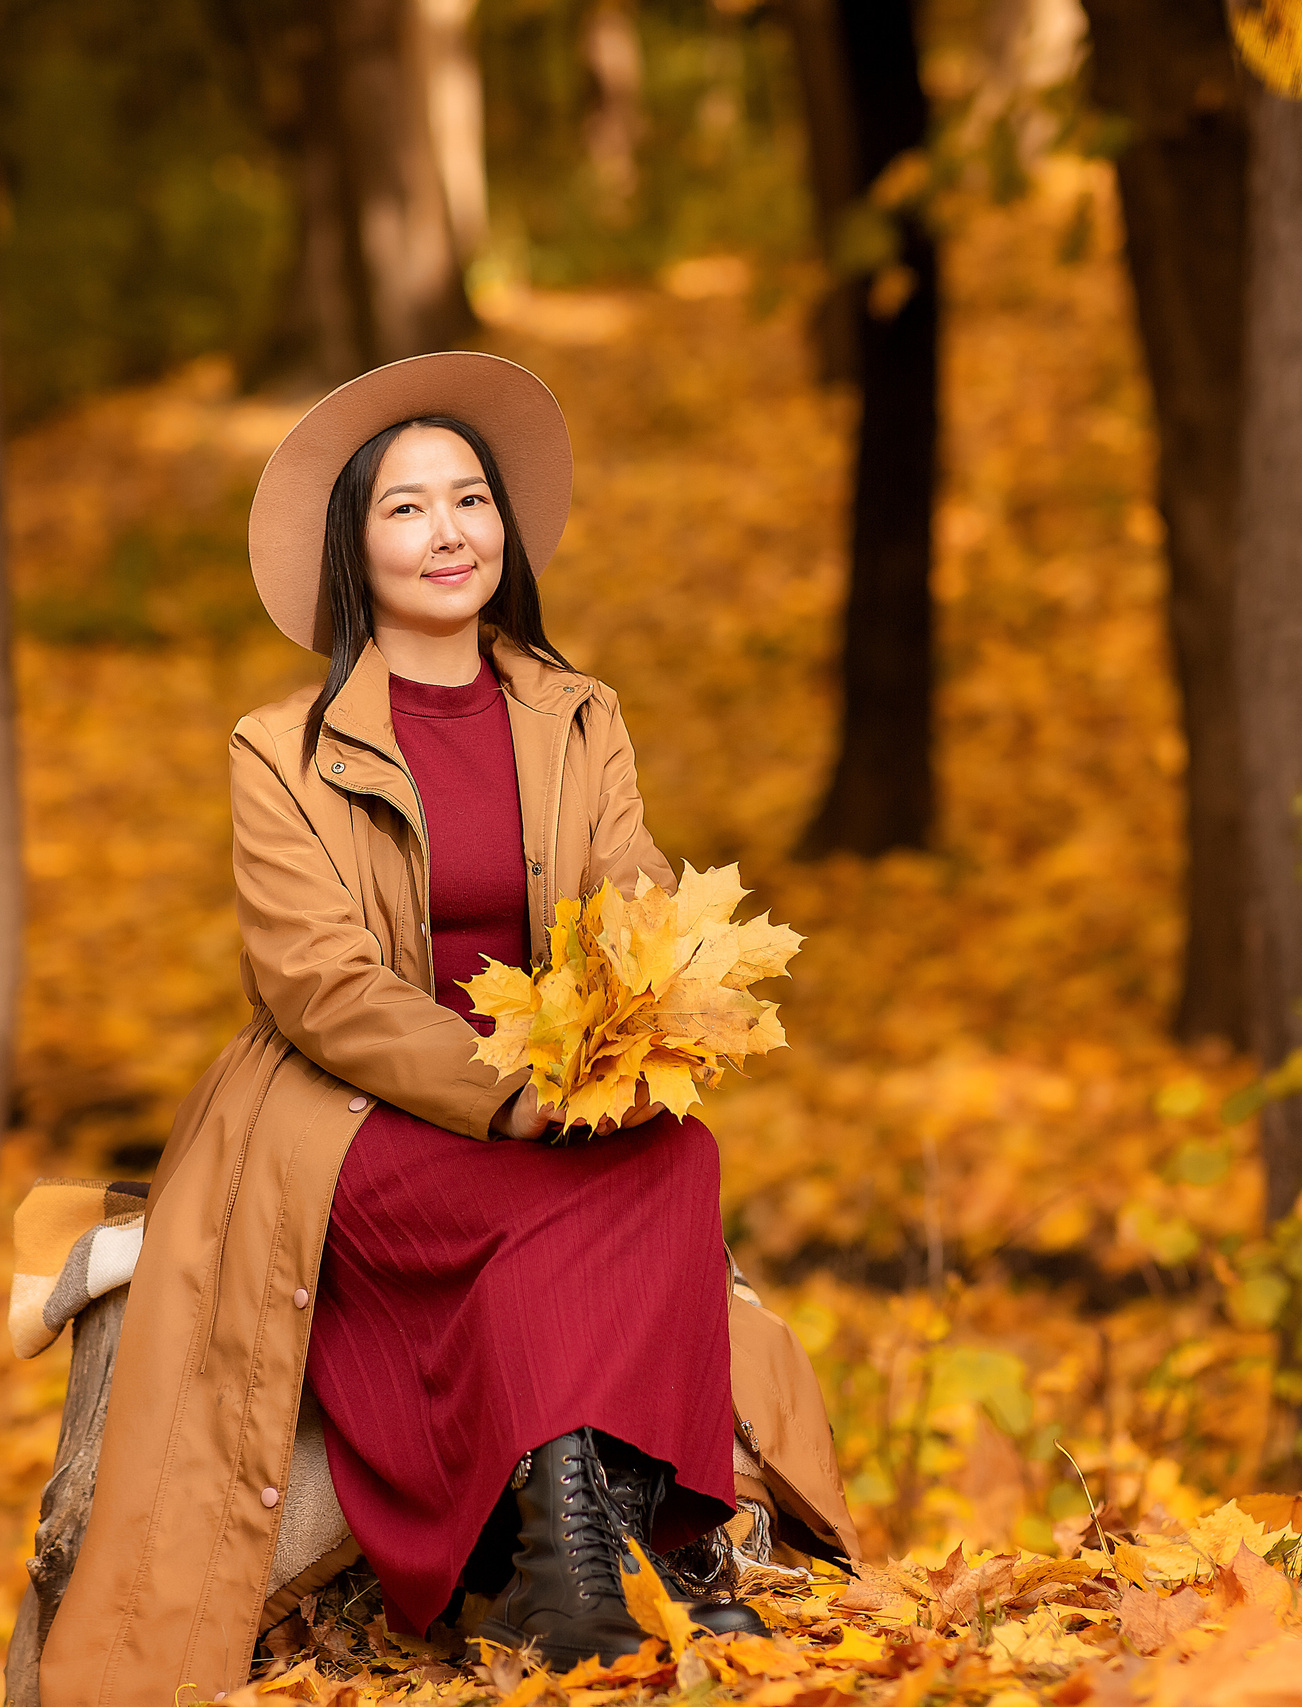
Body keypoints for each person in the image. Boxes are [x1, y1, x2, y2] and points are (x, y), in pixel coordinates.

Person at [42, 353, 854, 1707]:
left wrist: (644, 1006)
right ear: (358, 549)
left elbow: (632, 875)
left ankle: (592, 1567)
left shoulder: (575, 713)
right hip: (344, 1112)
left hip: (559, 1074)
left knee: (678, 1161)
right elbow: (321, 988)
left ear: (504, 531)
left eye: (469, 500)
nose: (448, 532)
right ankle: (614, 1565)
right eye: (407, 508)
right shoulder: (279, 749)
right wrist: (507, 1093)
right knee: (544, 1206)